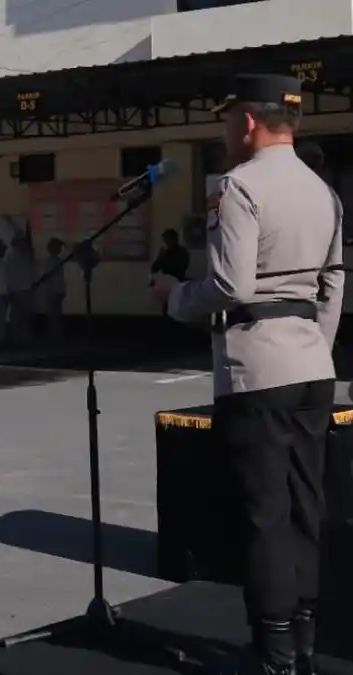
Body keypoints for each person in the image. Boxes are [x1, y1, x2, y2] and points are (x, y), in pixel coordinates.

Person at [152, 74, 344, 675]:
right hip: (313, 364)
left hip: (258, 368)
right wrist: (316, 344)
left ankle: (274, 653)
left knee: (264, 515)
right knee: (305, 506)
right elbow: (334, 282)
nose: (224, 130)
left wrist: (175, 296)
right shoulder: (323, 191)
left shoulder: (237, 186)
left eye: (226, 119)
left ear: (248, 123)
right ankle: (305, 642)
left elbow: (231, 283)